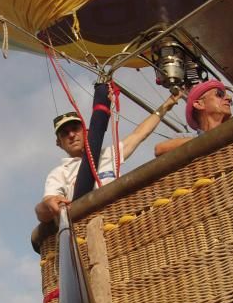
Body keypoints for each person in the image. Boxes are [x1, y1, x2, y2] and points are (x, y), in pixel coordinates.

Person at [35, 91, 183, 222]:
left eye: (75, 129)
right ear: (58, 143)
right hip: (91, 226)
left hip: (123, 218)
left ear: (86, 132)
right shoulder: (59, 174)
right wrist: (49, 204)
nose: (71, 135)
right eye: (64, 133)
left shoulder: (108, 155)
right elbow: (43, 209)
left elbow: (140, 134)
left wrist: (167, 105)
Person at [154, 80, 232, 157]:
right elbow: (160, 149)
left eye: (230, 99)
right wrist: (208, 139)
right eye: (219, 94)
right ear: (199, 104)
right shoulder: (183, 138)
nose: (229, 98)